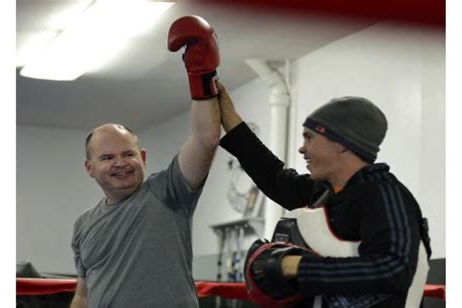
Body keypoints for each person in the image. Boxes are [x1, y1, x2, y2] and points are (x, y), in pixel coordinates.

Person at [217, 81, 431, 307]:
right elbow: (271, 175)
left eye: (309, 137)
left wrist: (292, 266)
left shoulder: (384, 194)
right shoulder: (325, 193)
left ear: (340, 143)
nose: (302, 148)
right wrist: (228, 116)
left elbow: (394, 269)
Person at [70, 15, 221, 308]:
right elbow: (83, 294)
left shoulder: (168, 192)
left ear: (142, 158)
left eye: (128, 154)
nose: (120, 163)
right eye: (107, 157)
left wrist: (202, 74)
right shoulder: (83, 224)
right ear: (90, 168)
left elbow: (206, 140)